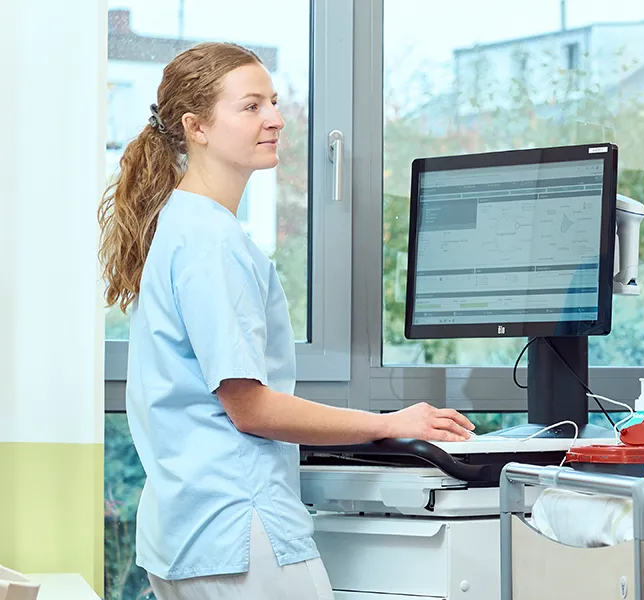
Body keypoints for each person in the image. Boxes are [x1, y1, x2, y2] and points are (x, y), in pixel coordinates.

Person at [100, 42, 476, 600]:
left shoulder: (183, 226)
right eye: (251, 106)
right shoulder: (210, 242)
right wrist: (388, 423)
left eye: (273, 102)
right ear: (196, 128)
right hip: (238, 525)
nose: (275, 119)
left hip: (188, 528)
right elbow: (249, 406)